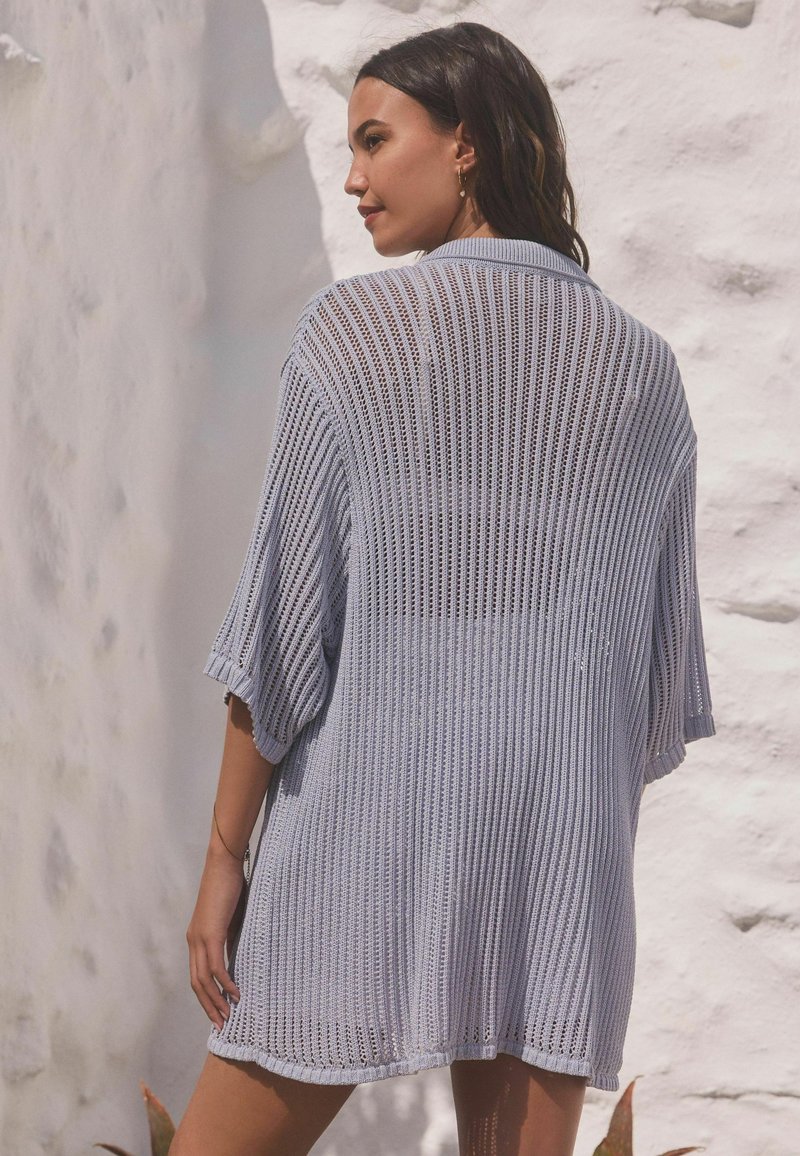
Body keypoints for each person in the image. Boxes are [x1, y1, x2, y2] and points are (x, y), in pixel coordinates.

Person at [169, 20, 716, 1156]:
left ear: (465, 143)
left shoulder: (352, 334)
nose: (354, 180)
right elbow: (648, 689)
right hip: (551, 860)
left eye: (375, 140)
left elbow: (280, 633)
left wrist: (224, 860)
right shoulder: (643, 371)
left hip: (357, 832)